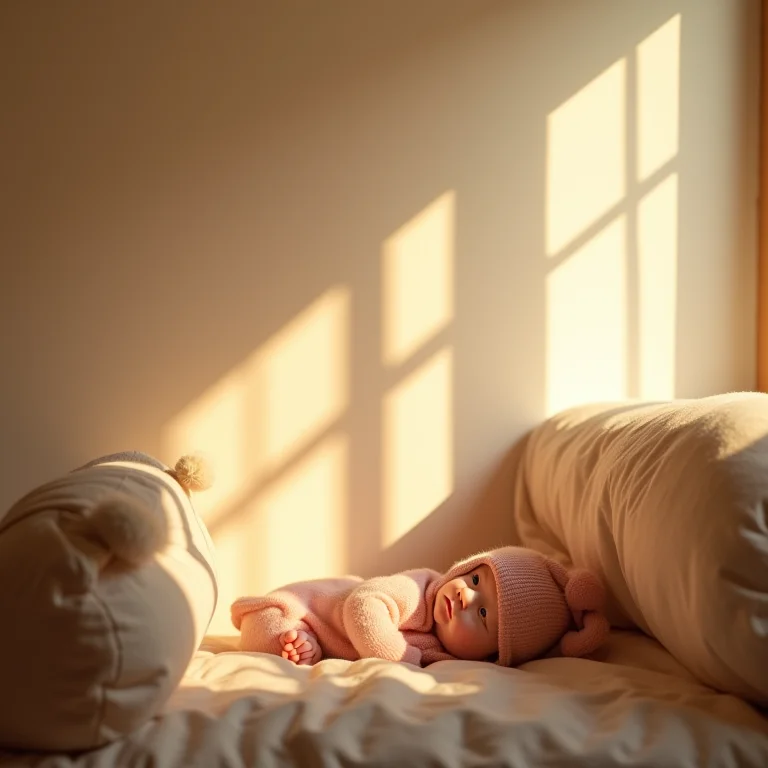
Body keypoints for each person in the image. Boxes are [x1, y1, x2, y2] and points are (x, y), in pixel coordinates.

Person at [231, 546, 610, 668]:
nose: (466, 595)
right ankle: (301, 639)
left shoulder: (447, 658)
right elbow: (363, 607)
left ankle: (308, 647)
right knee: (266, 636)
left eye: (482, 614)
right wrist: (402, 659)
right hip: (299, 610)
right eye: (475, 579)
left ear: (494, 655)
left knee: (292, 650)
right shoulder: (421, 589)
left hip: (323, 636)